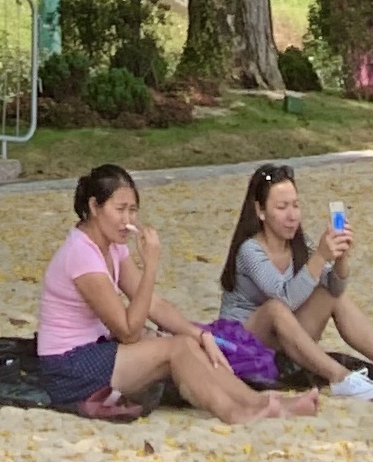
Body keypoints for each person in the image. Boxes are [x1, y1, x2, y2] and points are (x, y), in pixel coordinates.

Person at [36, 165, 319, 421]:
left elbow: (153, 304)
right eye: (120, 209)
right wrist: (151, 267)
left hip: (98, 350)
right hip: (68, 367)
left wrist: (200, 334)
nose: (128, 220)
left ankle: (263, 402)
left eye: (133, 210)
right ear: (94, 207)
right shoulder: (82, 254)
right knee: (177, 348)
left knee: (188, 342)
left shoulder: (112, 245)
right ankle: (234, 411)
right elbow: (128, 331)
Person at [219, 168, 373, 395]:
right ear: (260, 211)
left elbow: (335, 288)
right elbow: (283, 298)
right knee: (275, 309)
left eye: (295, 205)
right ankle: (340, 377)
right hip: (242, 342)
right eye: (282, 208)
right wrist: (321, 256)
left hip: (285, 339)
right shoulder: (250, 250)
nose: (292, 215)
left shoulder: (298, 245)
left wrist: (341, 256)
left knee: (330, 295)